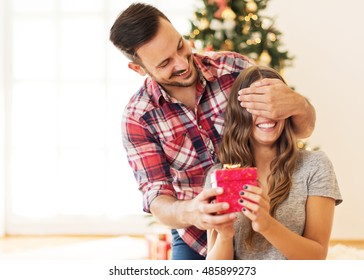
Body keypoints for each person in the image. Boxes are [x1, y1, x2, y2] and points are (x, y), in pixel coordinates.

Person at [109, 3, 316, 260]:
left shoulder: (234, 68)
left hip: (266, 219)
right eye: (164, 63)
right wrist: (193, 212)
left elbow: (301, 129)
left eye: (180, 46)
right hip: (198, 236)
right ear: (139, 69)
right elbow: (157, 197)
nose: (182, 63)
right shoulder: (138, 117)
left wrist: (300, 105)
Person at [204, 65, 342, 260]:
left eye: (273, 105)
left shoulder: (315, 166)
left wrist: (267, 225)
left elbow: (317, 257)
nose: (267, 114)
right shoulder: (219, 176)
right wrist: (225, 237)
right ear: (240, 113)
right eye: (256, 106)